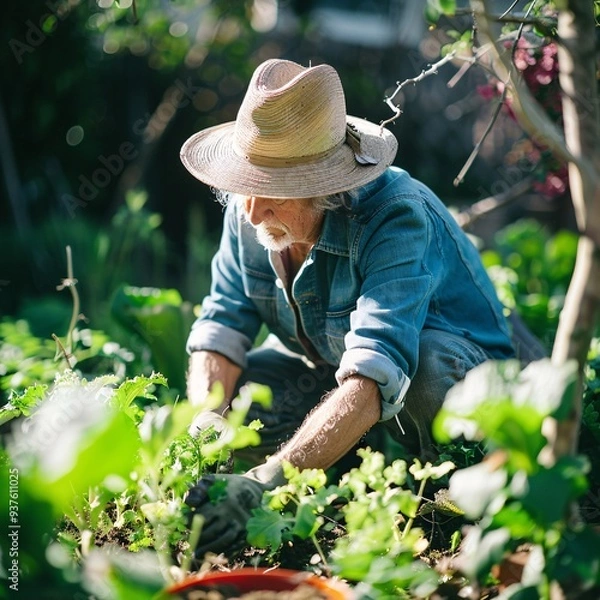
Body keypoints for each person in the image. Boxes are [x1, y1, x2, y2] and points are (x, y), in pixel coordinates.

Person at [179, 58, 516, 556]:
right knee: (245, 392)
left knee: (425, 373)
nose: (250, 211)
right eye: (246, 184)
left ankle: (442, 506)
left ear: (325, 185)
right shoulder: (249, 211)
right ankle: (344, 461)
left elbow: (376, 369)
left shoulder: (395, 216)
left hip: (453, 376)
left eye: (271, 192)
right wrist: (206, 418)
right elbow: (224, 320)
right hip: (336, 371)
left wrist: (272, 480)